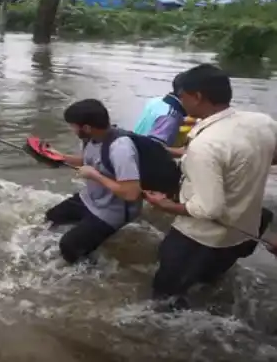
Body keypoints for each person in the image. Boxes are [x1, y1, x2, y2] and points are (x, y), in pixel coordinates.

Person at [143, 64, 276, 309]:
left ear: (197, 96)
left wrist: (166, 205)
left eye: (182, 96)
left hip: (199, 238)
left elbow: (209, 209)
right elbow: (270, 157)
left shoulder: (207, 145)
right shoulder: (262, 123)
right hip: (243, 232)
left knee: (163, 301)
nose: (180, 101)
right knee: (207, 284)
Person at [40, 99, 143, 263]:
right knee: (51, 218)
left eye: (73, 125)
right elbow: (90, 160)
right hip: (91, 198)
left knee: (68, 246)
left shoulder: (121, 149)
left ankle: (89, 271)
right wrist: (60, 157)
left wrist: (95, 176)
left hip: (113, 210)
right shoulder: (92, 138)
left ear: (86, 127)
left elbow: (131, 193)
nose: (72, 129)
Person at [132, 72, 187, 148]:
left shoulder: (157, 101)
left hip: (134, 144)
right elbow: (155, 148)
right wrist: (185, 153)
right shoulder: (170, 117)